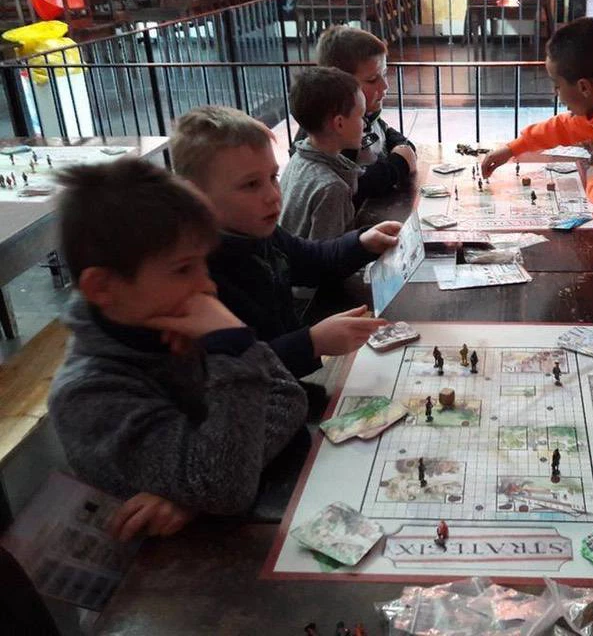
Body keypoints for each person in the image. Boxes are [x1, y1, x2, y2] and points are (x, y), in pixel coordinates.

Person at [48, 159, 308, 525]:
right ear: (102, 287)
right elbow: (225, 487)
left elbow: (289, 397)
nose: (207, 285)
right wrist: (234, 350)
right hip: (166, 558)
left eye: (204, 264)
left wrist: (201, 489)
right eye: (184, 269)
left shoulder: (175, 320)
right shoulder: (88, 394)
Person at [170, 105, 399, 380]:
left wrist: (362, 243)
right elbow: (233, 370)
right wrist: (312, 342)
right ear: (195, 196)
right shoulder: (197, 278)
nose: (272, 195)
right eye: (251, 185)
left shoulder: (256, 231)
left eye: (272, 177)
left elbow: (311, 259)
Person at [480, 17, 593, 214]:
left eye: (557, 85)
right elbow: (563, 127)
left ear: (584, 87)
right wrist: (511, 149)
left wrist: (592, 177)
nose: (555, 93)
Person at [296, 25, 417, 205]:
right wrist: (399, 164)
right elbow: (353, 186)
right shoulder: (333, 131)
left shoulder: (366, 115)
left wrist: (403, 148)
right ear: (339, 83)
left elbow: (387, 133)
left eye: (384, 74)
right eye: (372, 79)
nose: (385, 86)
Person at [280, 67, 367, 241]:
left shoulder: (298, 158)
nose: (364, 124)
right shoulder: (332, 189)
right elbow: (329, 253)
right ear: (339, 124)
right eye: (361, 116)